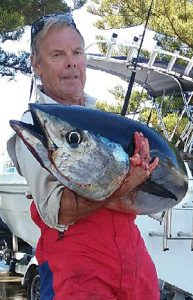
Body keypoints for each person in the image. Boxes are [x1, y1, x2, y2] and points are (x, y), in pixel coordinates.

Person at [7, 13, 160, 300]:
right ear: (37, 66)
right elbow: (58, 212)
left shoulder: (102, 119)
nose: (71, 63)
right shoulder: (35, 126)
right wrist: (124, 184)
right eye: (57, 54)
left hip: (135, 262)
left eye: (77, 52)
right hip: (78, 271)